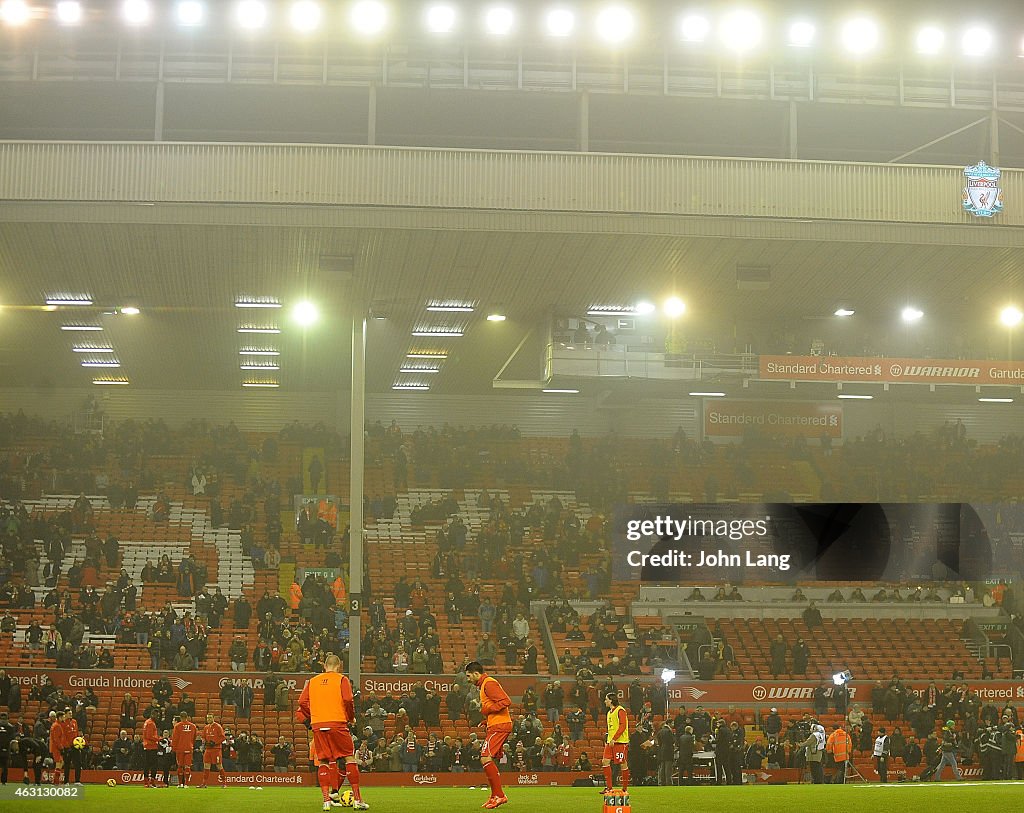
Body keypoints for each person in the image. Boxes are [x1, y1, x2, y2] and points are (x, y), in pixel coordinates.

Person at [297, 654, 369, 811]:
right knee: (349, 757)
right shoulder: (341, 679)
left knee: (323, 760)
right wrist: (350, 717)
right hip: (337, 722)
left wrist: (314, 714)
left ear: (324, 666)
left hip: (318, 724)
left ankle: (326, 801)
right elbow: (349, 699)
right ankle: (357, 800)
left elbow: (301, 702)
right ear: (339, 666)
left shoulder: (312, 681)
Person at [465, 661, 512, 810]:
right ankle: (494, 795)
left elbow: (506, 701)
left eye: (468, 676)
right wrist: (487, 720)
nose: (467, 679)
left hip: (500, 726)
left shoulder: (489, 683)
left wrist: (487, 710)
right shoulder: (484, 685)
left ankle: (499, 795)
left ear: (476, 674)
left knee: (485, 757)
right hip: (495, 724)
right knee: (487, 758)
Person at [602, 691, 630, 795]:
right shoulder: (609, 712)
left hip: (620, 742)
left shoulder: (620, 710)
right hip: (610, 742)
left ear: (611, 700)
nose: (605, 701)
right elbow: (610, 728)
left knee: (623, 764)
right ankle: (609, 787)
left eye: (606, 699)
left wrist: (615, 738)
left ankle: (625, 788)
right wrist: (608, 739)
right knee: (605, 761)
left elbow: (622, 726)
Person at [171, 712, 198, 787]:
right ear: (187, 717)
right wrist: (191, 745)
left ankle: (180, 784)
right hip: (189, 748)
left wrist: (173, 748)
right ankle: (186, 784)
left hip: (180, 749)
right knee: (187, 766)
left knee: (180, 766)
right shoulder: (193, 726)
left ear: (180, 717)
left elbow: (175, 738)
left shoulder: (177, 726)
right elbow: (194, 737)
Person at [199, 713, 226, 788]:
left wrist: (215, 743)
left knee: (219, 765)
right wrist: (204, 743)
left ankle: (224, 783)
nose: (209, 719)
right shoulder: (206, 727)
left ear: (213, 718)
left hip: (216, 749)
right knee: (206, 765)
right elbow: (203, 737)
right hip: (208, 749)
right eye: (207, 718)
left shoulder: (218, 726)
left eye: (210, 718)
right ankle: (204, 783)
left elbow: (223, 737)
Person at [142, 710, 160, 788]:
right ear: (152, 714)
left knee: (147, 764)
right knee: (153, 765)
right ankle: (151, 782)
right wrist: (159, 739)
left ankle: (147, 782)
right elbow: (149, 736)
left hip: (147, 746)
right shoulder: (150, 723)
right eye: (157, 715)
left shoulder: (147, 722)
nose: (157, 717)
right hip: (151, 746)